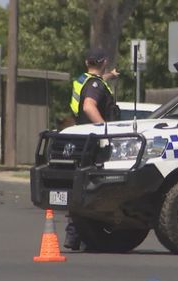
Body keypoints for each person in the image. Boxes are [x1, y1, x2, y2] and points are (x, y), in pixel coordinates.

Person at [64, 48, 119, 250]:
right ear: (104, 61)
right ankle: (82, 235)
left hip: (82, 140)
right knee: (94, 189)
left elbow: (93, 84)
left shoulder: (83, 79)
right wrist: (104, 129)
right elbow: (89, 106)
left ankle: (73, 236)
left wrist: (109, 76)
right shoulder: (95, 85)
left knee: (82, 187)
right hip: (95, 142)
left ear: (88, 62)